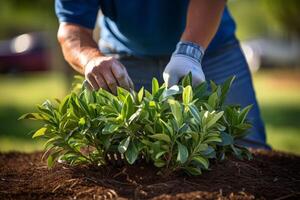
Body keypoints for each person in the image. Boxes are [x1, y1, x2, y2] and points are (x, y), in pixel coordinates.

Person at [55, 0, 270, 149]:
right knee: (115, 152)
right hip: (124, 59)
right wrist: (91, 59)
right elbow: (71, 29)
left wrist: (190, 52)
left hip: (211, 51)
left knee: (247, 146)